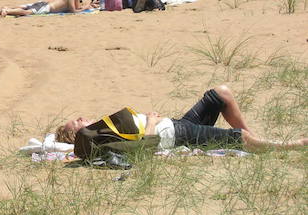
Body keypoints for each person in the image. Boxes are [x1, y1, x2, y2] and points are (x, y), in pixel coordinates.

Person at [56, 85, 307, 156]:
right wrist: (151, 121)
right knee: (238, 138)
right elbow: (144, 148)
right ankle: (289, 146)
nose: (80, 118)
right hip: (178, 135)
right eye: (76, 123)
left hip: (178, 124)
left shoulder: (104, 127)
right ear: (76, 136)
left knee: (221, 93)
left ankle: (255, 140)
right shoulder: (99, 140)